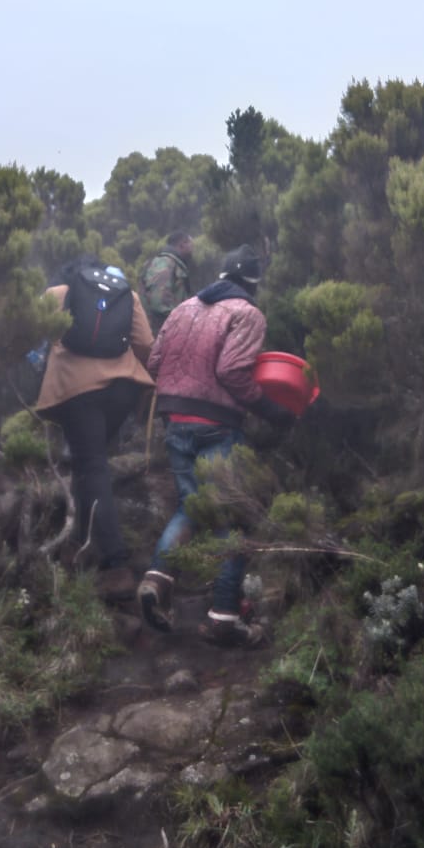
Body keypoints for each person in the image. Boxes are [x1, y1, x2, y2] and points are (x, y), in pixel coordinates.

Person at [136, 243, 295, 647]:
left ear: (223, 275)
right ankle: (224, 614)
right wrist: (271, 410)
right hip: (217, 425)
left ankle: (157, 579)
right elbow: (231, 371)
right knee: (233, 517)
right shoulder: (247, 313)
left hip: (175, 420)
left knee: (192, 505)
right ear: (252, 283)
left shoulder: (183, 308)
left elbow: (154, 363)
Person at [35, 254, 155, 602]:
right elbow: (146, 345)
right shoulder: (126, 295)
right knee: (90, 463)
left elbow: (28, 336)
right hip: (123, 388)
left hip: (78, 392)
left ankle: (116, 566)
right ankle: (78, 545)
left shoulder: (56, 294)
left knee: (91, 464)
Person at [138, 230, 194, 335]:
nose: (192, 249)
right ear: (182, 245)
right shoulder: (164, 263)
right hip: (160, 334)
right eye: (191, 245)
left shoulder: (174, 264)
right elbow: (158, 302)